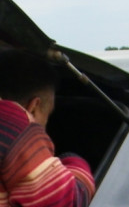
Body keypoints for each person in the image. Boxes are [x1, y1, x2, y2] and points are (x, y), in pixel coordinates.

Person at [0, 49, 95, 207]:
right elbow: (64, 201)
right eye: (47, 116)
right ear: (33, 107)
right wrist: (75, 163)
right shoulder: (15, 125)